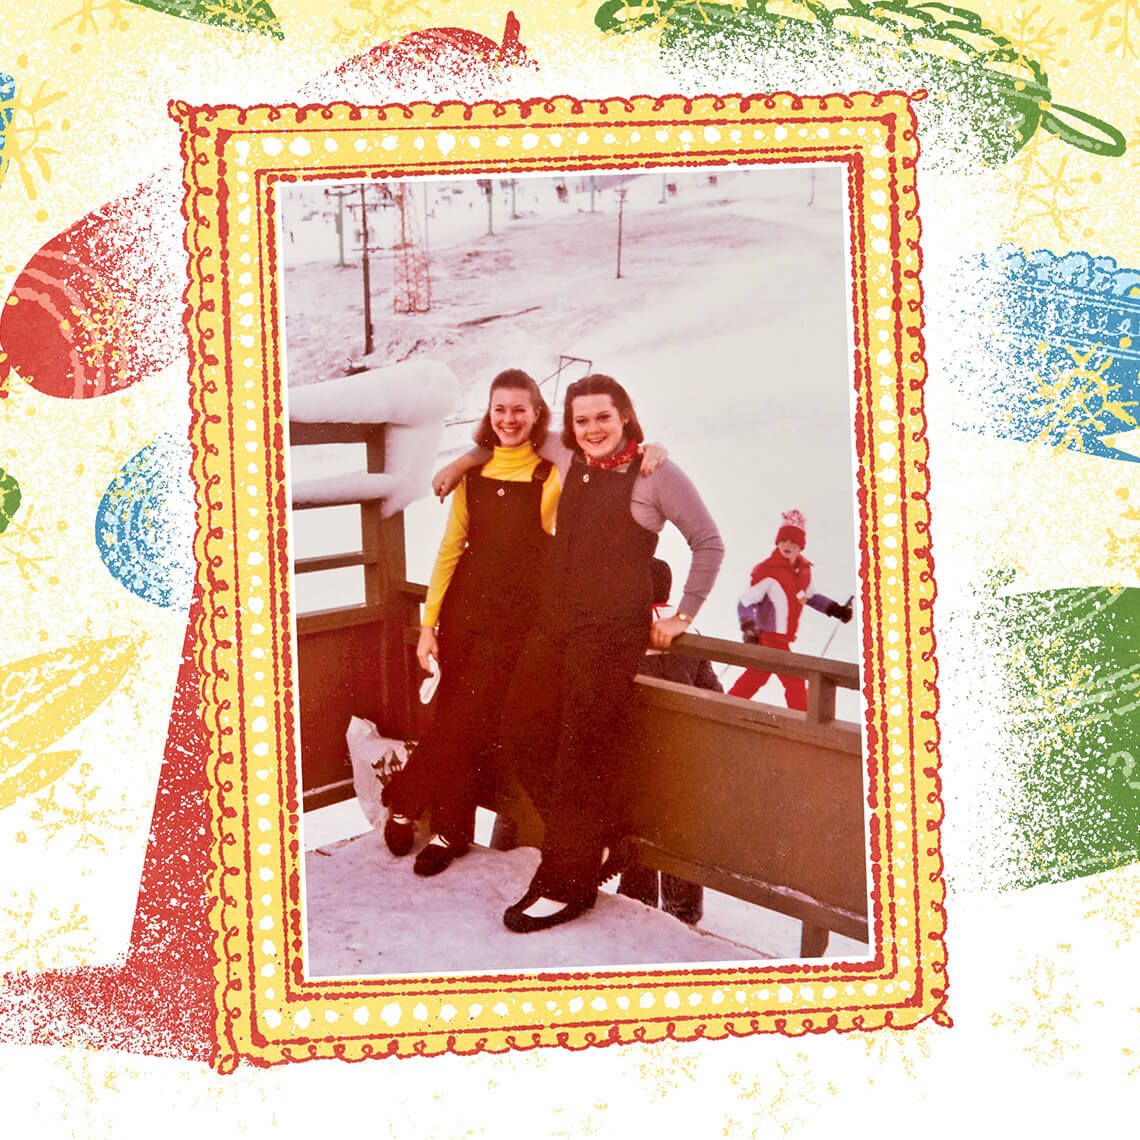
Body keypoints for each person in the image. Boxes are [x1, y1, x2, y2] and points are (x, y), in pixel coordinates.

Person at [476, 374, 723, 933]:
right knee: (519, 728)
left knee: (579, 750)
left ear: (626, 417)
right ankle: (598, 835)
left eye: (604, 418)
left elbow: (708, 541)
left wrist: (684, 615)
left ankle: (566, 880)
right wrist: (457, 464)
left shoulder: (656, 473)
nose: (592, 429)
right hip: (555, 621)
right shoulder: (566, 452)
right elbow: (506, 432)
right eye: (581, 419)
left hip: (609, 632)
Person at [380, 369, 560, 876]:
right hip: (464, 615)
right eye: (499, 409)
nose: (509, 419)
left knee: (461, 718)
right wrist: (429, 625)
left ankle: (405, 798)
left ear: (537, 413)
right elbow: (449, 550)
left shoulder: (550, 476)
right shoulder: (472, 476)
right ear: (489, 411)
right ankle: (449, 832)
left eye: (520, 409)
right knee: (463, 720)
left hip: (516, 624)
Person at [616, 557, 721, 926]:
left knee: (642, 801)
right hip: (683, 770)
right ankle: (683, 914)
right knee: (679, 810)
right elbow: (714, 694)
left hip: (638, 768)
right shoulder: (687, 636)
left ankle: (635, 899)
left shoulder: (620, 633)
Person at [727, 509, 852, 710]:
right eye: (784, 541)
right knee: (793, 680)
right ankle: (803, 721)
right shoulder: (768, 570)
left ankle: (727, 705)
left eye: (794, 543)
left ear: (800, 547)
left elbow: (809, 597)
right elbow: (746, 602)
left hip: (782, 639)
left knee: (756, 677)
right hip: (768, 638)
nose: (788, 546)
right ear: (777, 542)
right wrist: (748, 627)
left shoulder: (802, 573)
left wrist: (835, 609)